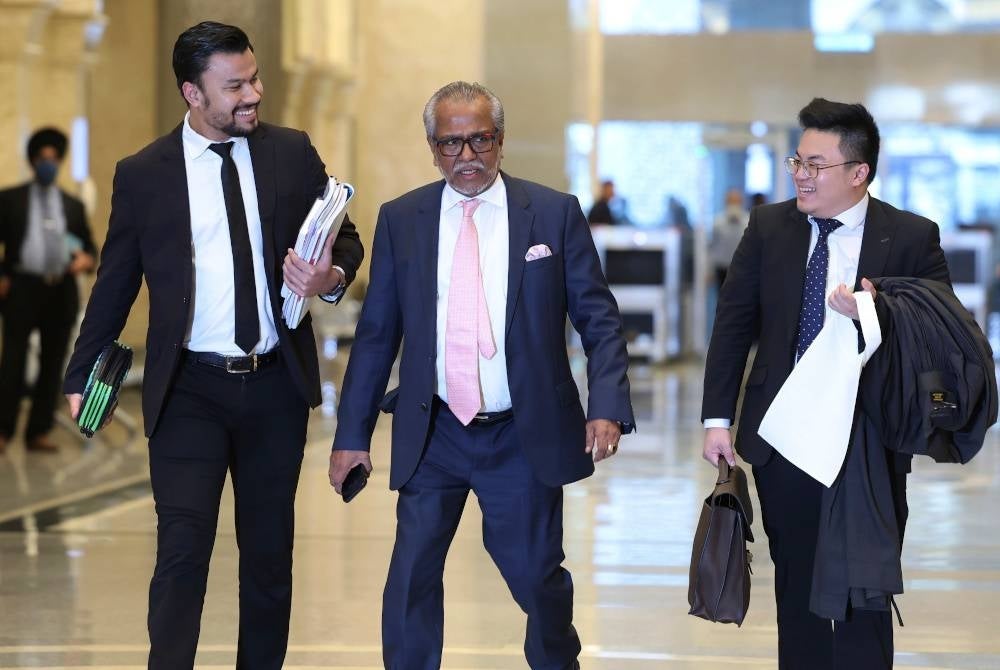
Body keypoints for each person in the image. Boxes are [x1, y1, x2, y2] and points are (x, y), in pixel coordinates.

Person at [61, 21, 363, 670]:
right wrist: (79, 372)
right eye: (235, 86)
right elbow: (116, 279)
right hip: (189, 391)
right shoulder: (144, 174)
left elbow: (346, 238)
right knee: (181, 553)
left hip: (276, 386)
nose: (253, 94)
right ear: (192, 94)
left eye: (254, 78)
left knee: (267, 558)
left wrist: (329, 276)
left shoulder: (292, 152)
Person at [329, 81, 635, 670]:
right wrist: (351, 436)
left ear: (500, 139)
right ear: (432, 147)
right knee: (411, 575)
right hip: (434, 430)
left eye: (479, 140)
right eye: (451, 144)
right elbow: (376, 337)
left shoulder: (551, 212)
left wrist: (606, 404)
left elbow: (598, 317)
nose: (466, 157)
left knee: (536, 576)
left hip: (521, 432)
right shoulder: (403, 219)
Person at [702, 98, 949, 669]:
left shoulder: (910, 236)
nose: (801, 177)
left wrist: (874, 313)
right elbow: (734, 322)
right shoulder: (770, 226)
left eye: (817, 166)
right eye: (797, 162)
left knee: (867, 586)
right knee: (796, 584)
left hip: (869, 441)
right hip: (784, 433)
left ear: (859, 173)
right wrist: (718, 419)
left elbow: (939, 334)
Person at [0, 127, 97, 454]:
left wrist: (86, 259)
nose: (49, 165)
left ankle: (38, 431)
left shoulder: (72, 205)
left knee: (53, 364)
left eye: (54, 160)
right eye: (43, 159)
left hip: (60, 291)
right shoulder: (11, 199)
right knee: (12, 361)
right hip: (21, 289)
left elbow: (89, 249)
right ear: (33, 161)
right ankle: (3, 431)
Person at [709, 188, 749, 288]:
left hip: (742, 268)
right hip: (721, 268)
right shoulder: (717, 222)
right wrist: (709, 270)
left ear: (741, 202)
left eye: (736, 201)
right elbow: (712, 247)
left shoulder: (749, 221)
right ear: (726, 202)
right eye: (731, 201)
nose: (734, 204)